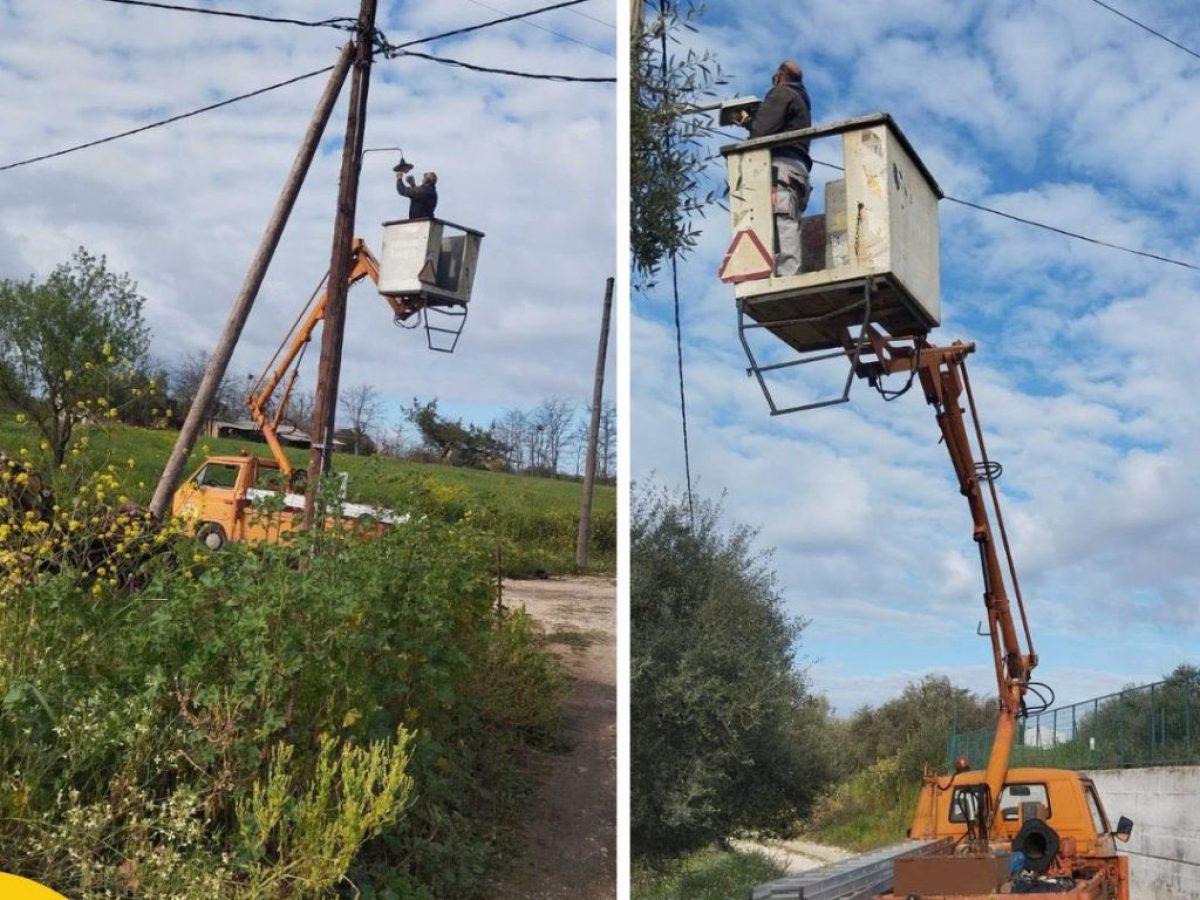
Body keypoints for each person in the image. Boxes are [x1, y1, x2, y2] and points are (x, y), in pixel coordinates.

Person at [738, 60, 812, 276]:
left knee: (781, 218)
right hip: (798, 172)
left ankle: (787, 276)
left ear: (779, 76)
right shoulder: (801, 101)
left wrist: (750, 120)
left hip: (782, 167)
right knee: (788, 219)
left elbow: (761, 132)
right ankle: (785, 272)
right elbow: (776, 126)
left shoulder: (781, 93)